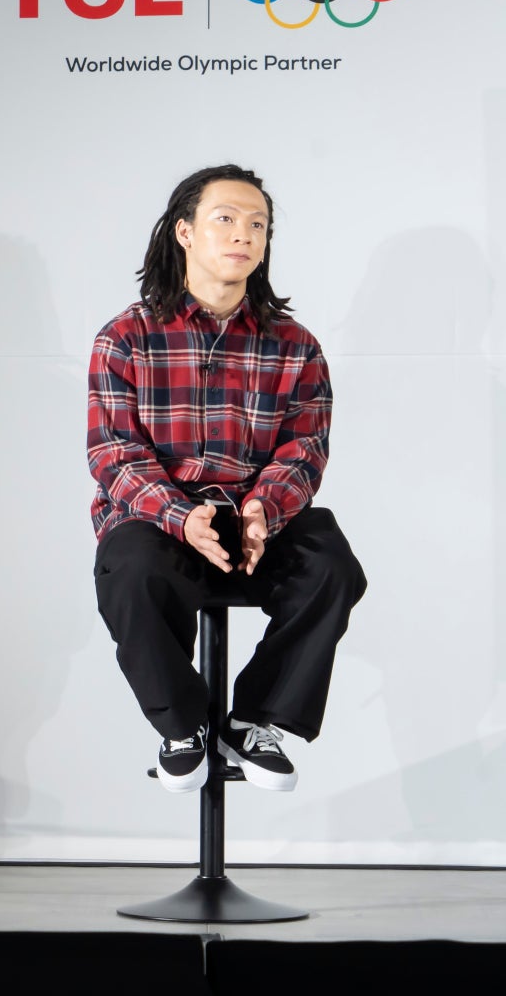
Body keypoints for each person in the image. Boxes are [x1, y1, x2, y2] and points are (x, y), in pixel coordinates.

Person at [89, 164, 366, 794]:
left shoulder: (295, 345)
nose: (244, 233)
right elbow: (114, 453)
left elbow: (305, 448)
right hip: (161, 518)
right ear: (184, 232)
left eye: (258, 224)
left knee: (331, 566)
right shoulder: (126, 338)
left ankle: (252, 720)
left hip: (255, 517)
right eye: (226, 218)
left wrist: (264, 509)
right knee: (131, 570)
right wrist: (181, 516)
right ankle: (183, 726)